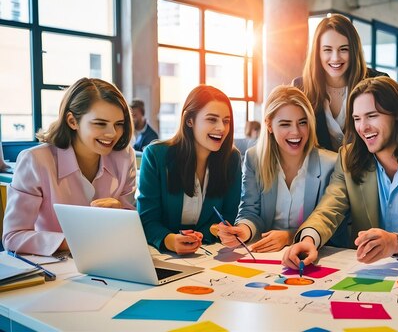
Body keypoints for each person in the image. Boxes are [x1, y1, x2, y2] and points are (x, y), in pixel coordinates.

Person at [282, 76, 398, 270]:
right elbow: (328, 209)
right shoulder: (347, 158)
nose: (363, 127)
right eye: (357, 118)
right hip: (366, 274)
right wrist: (309, 239)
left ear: (397, 115)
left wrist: (397, 244)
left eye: (372, 116)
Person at [2, 78, 136, 256]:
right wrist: (75, 241)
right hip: (57, 266)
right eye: (100, 123)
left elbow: (130, 227)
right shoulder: (35, 161)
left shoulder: (124, 157)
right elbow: (13, 237)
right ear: (72, 121)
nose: (112, 134)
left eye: (118, 124)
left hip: (110, 259)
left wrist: (120, 213)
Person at [216, 85, 346, 252]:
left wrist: (290, 237)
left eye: (302, 122)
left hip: (314, 257)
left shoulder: (331, 163)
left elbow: (334, 227)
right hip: (267, 257)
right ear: (269, 125)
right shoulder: (254, 159)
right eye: (285, 124)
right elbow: (249, 211)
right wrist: (244, 230)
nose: (296, 132)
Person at [138, 85, 242, 255]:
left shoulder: (231, 159)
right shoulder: (156, 156)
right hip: (162, 254)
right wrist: (169, 240)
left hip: (208, 253)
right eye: (212, 119)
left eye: (226, 121)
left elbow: (229, 215)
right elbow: (146, 219)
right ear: (190, 121)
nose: (222, 128)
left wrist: (215, 230)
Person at [292, 13, 388, 152]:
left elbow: (391, 134)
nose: (335, 58)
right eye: (327, 50)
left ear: (354, 51)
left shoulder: (379, 83)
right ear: (317, 52)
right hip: (318, 171)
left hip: (369, 170)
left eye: (343, 49)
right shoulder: (300, 88)